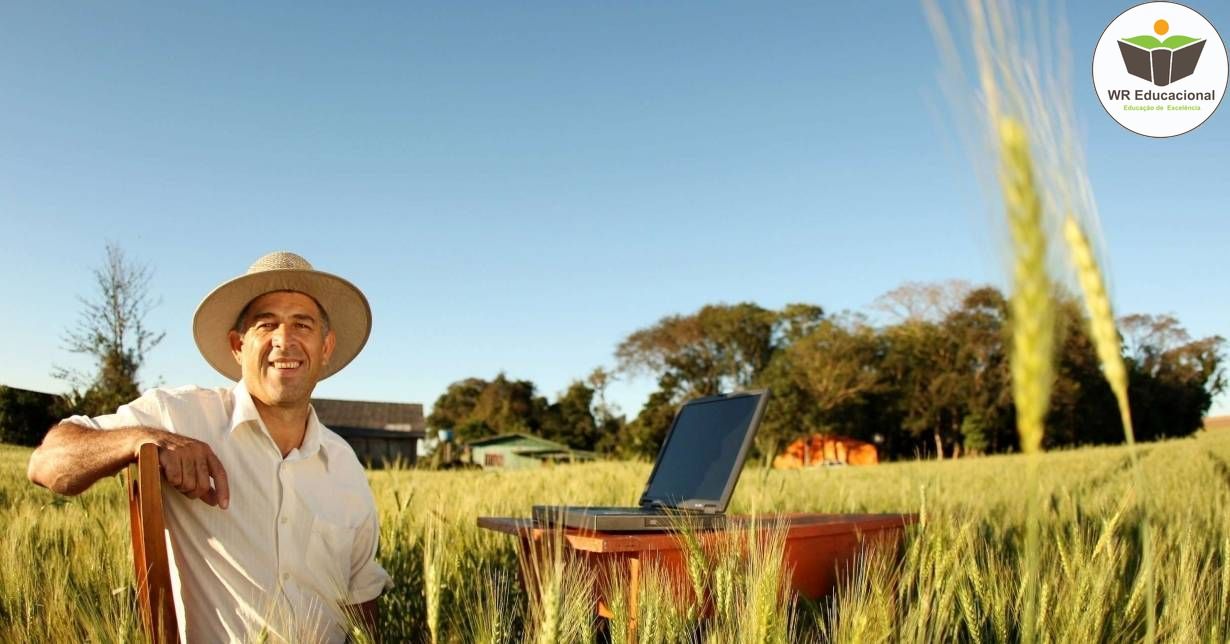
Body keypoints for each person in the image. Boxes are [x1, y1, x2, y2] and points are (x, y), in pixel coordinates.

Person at [27, 251, 391, 643]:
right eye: (266, 324)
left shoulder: (345, 466)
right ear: (237, 345)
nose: (284, 340)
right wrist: (143, 438)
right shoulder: (179, 416)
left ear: (326, 346)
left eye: (302, 325)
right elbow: (48, 464)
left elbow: (360, 602)